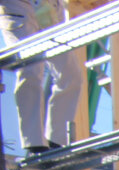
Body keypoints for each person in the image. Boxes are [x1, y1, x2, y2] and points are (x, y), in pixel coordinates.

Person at [0, 0, 83, 154]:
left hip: (48, 7)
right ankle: (34, 142)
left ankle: (57, 140)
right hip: (18, 6)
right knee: (30, 68)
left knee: (71, 73)